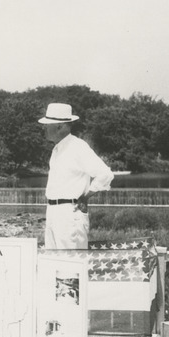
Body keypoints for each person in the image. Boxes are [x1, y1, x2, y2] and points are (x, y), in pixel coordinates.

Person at [38, 102, 113, 250]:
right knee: (53, 263)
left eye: (48, 125)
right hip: (53, 211)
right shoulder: (57, 149)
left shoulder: (77, 147)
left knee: (71, 264)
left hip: (69, 212)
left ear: (60, 126)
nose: (44, 128)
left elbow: (105, 174)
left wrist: (85, 197)